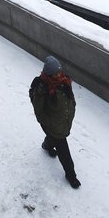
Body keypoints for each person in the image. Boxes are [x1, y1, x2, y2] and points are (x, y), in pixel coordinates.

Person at [29, 55, 81, 189]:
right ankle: (71, 175)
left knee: (54, 138)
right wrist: (49, 124)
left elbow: (70, 98)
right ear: (48, 74)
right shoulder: (42, 89)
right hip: (52, 124)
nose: (59, 74)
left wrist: (72, 107)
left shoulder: (64, 82)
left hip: (62, 122)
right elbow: (39, 112)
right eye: (55, 73)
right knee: (63, 151)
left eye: (59, 71)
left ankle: (47, 146)